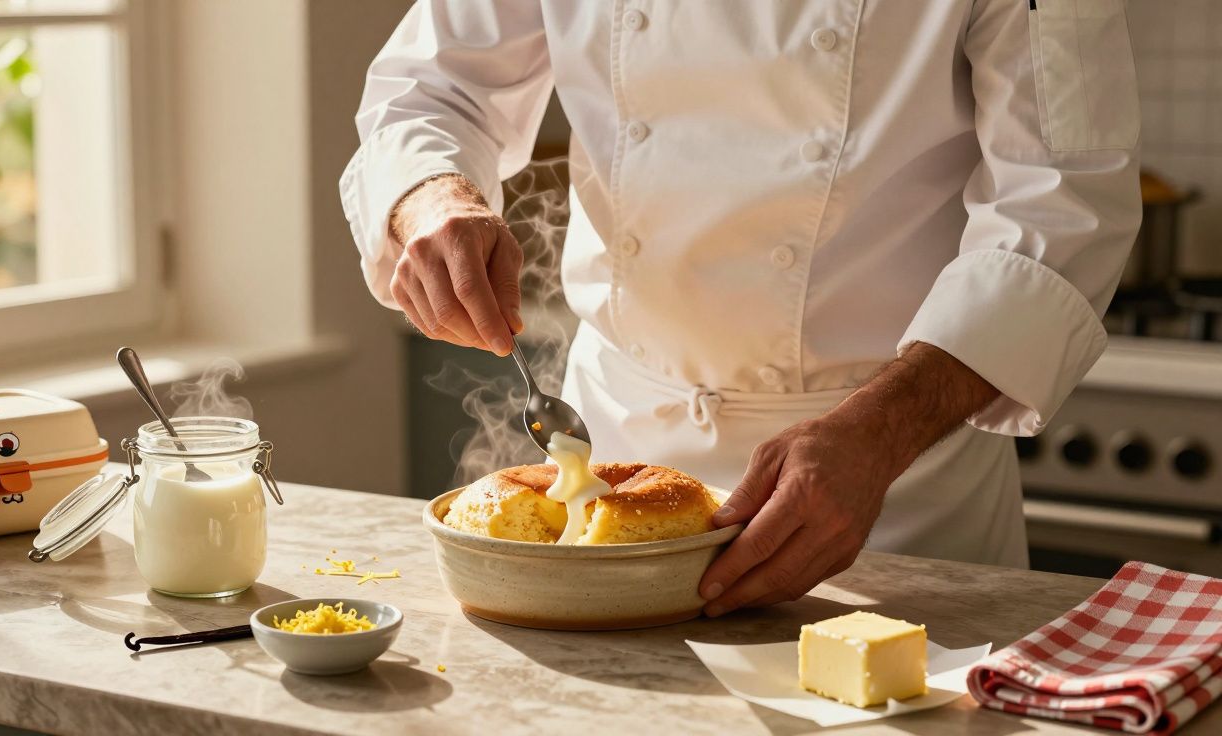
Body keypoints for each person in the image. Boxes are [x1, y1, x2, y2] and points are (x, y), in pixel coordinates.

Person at [341, 2, 1140, 617]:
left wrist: (880, 434)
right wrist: (430, 193)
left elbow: (1064, 200)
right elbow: (434, 84)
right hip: (612, 456)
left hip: (895, 485)